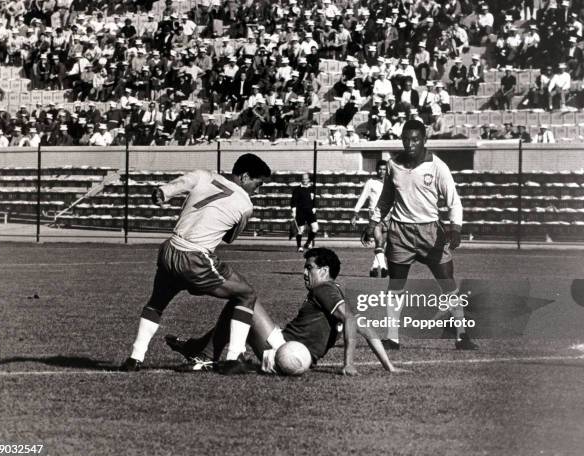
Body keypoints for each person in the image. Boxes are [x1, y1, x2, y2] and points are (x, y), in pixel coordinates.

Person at [121, 153, 272, 374]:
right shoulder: (245, 205)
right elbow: (229, 238)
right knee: (246, 294)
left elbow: (174, 187)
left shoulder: (204, 175)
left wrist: (163, 193)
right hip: (195, 258)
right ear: (245, 176)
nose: (257, 190)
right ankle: (234, 358)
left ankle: (135, 358)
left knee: (156, 303)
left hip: (170, 250)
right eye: (257, 185)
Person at [165, 248, 400, 376]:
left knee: (243, 299)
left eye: (309, 268)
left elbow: (348, 319)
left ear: (325, 271)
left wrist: (348, 363)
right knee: (241, 312)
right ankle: (199, 349)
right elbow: (367, 330)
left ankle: (203, 353)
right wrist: (388, 366)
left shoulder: (325, 289)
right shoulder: (338, 293)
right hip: (294, 358)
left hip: (281, 348)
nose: (304, 273)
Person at [363, 120, 478, 351]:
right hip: (400, 233)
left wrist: (455, 228)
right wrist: (373, 222)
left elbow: (454, 201)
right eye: (406, 139)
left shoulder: (438, 167)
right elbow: (386, 198)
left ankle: (462, 336)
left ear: (425, 140)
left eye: (415, 139)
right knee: (395, 286)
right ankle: (392, 338)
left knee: (448, 284)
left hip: (431, 233)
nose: (410, 144)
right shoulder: (394, 164)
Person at [351, 160, 388, 278]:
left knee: (383, 243)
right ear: (376, 169)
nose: (382, 171)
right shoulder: (371, 182)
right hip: (374, 214)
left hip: (388, 215)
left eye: (384, 169)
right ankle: (383, 267)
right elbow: (363, 197)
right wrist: (355, 212)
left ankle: (373, 267)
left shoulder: (390, 182)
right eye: (380, 169)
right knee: (379, 241)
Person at [291, 173, 319, 252]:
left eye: (306, 179)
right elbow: (293, 201)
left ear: (309, 179)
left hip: (310, 212)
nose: (305, 180)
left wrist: (314, 207)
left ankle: (308, 243)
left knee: (315, 228)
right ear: (301, 179)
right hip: (301, 212)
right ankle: (299, 247)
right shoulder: (297, 189)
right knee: (301, 229)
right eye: (303, 179)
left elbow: (313, 199)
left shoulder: (312, 189)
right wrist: (294, 211)